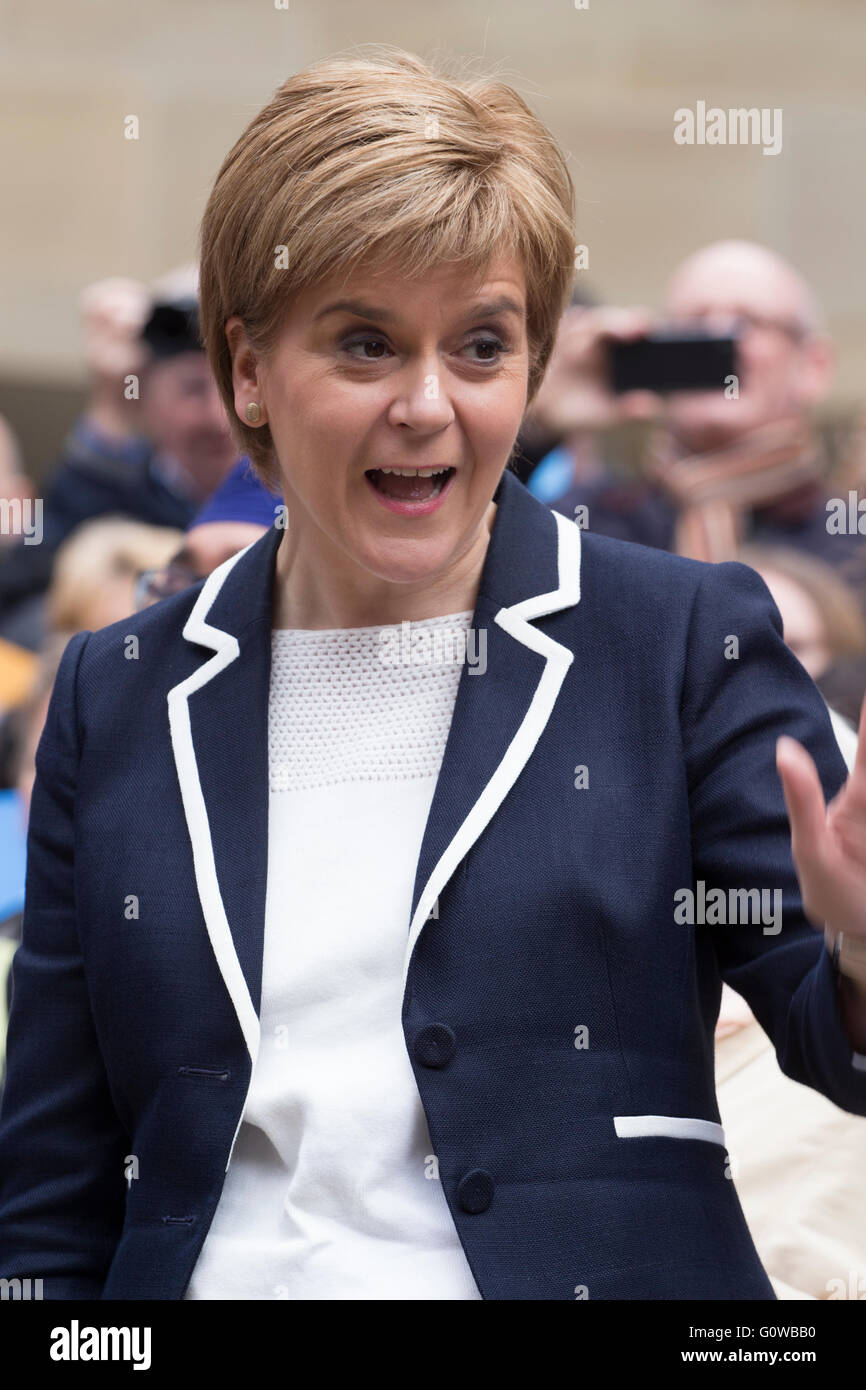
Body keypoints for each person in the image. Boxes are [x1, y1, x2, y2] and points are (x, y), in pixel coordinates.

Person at [1, 47, 866, 1303]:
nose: (427, 403)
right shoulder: (113, 690)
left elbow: (831, 1036)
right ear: (247, 366)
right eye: (363, 344)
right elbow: (50, 1198)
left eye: (479, 346)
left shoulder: (673, 638)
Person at [531, 242, 863, 574]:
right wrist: (537, 422)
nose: (717, 336)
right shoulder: (580, 525)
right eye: (694, 323)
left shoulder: (851, 539)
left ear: (813, 366)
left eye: (748, 321)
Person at [0, 280, 238, 649]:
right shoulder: (111, 486)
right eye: (193, 389)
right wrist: (111, 414)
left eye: (233, 388)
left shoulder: (293, 496)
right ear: (148, 395)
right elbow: (26, 594)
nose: (217, 416)